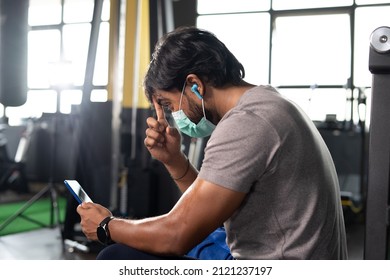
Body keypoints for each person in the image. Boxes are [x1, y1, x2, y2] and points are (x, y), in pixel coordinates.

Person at [77, 26, 348, 260]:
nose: (172, 117)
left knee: (115, 257)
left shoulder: (246, 123)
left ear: (194, 84)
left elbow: (177, 234)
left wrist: (106, 226)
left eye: (169, 104)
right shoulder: (267, 103)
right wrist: (175, 160)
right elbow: (212, 210)